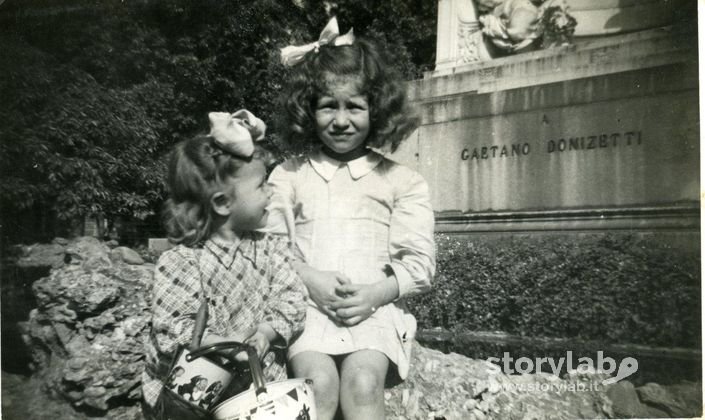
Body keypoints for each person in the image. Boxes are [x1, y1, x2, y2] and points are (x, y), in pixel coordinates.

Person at [267, 18, 436, 420]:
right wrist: (313, 280)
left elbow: (419, 265)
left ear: (375, 109)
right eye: (328, 106)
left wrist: (375, 294)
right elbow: (267, 249)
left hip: (373, 311)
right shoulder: (288, 174)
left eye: (354, 107)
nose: (341, 120)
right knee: (317, 385)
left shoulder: (401, 180)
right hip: (305, 308)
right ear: (308, 110)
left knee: (362, 384)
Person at [141, 110, 307, 418]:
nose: (271, 192)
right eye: (261, 185)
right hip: (194, 395)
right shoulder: (183, 261)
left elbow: (293, 298)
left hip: (254, 392)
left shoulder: (270, 249)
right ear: (221, 203)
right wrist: (222, 344)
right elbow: (175, 328)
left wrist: (267, 332)